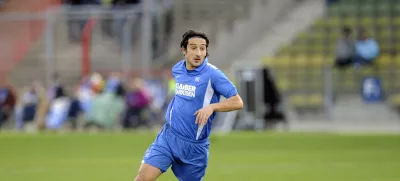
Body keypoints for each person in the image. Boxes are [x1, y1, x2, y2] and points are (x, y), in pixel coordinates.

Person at [134, 30, 244, 181]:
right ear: (184, 50)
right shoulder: (178, 69)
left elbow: (237, 102)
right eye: (193, 47)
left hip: (195, 148)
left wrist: (212, 107)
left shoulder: (213, 74)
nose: (198, 52)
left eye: (202, 48)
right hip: (169, 137)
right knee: (142, 179)